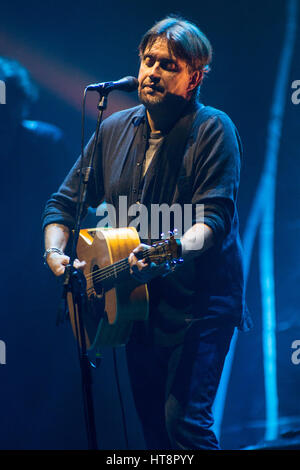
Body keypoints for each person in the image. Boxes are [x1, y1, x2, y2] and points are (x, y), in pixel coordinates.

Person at [41, 16, 251, 450]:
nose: (152, 72)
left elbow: (213, 222)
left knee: (184, 426)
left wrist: (172, 249)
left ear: (195, 77)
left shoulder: (213, 130)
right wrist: (55, 255)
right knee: (153, 433)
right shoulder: (114, 128)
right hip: (138, 308)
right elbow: (63, 204)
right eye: (148, 61)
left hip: (200, 307)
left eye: (168, 65)